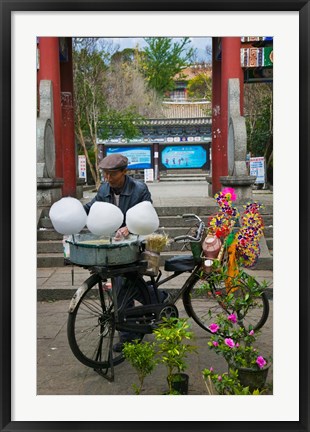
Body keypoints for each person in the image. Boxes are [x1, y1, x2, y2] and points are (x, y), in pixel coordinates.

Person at [84, 153, 158, 352]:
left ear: (125, 172)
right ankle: (158, 300)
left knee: (122, 286)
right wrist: (76, 214)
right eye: (105, 174)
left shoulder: (139, 189)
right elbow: (93, 208)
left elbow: (147, 216)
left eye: (112, 174)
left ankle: (129, 335)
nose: (107, 179)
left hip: (134, 245)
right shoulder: (104, 189)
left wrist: (129, 228)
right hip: (114, 246)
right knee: (125, 285)